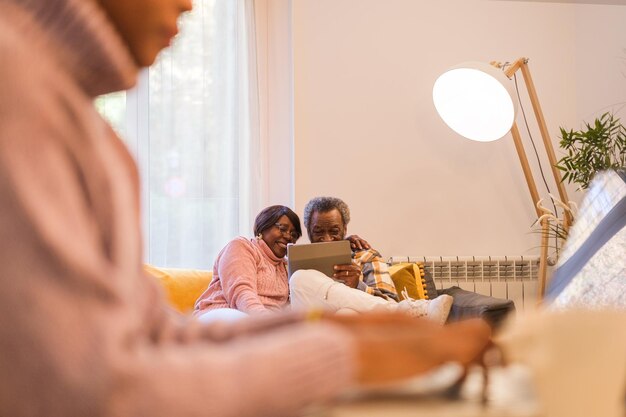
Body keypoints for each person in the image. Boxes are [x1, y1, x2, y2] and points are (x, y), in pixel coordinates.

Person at [0, 0, 491, 416]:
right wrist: (345, 352)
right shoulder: (18, 89)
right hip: (226, 318)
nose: (190, 5)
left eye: (292, 231)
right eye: (282, 229)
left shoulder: (90, 134)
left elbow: (152, 338)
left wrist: (343, 323)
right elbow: (95, 389)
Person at [290, 196, 453, 323]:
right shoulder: (296, 260)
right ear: (309, 231)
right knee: (299, 277)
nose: (327, 239)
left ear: (345, 229)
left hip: (353, 328)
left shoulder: (366, 257)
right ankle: (407, 312)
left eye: (334, 231)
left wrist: (358, 286)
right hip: (311, 325)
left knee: (347, 314)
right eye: (318, 232)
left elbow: (390, 300)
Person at [194, 205, 302, 322]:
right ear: (262, 227)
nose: (288, 236)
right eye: (282, 228)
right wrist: (269, 322)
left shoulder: (286, 266)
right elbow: (242, 294)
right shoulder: (241, 247)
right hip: (222, 313)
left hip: (260, 324)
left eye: (293, 234)